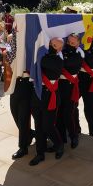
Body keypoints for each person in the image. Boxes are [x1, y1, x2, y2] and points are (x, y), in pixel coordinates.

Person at [30, 37, 65, 165]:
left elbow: (43, 62)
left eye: (56, 46)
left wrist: (42, 50)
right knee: (38, 125)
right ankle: (40, 153)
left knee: (48, 125)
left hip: (50, 96)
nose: (53, 46)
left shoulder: (58, 60)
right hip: (38, 93)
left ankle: (59, 145)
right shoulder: (43, 54)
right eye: (52, 44)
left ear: (60, 48)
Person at [58, 33, 84, 149]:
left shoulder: (78, 54)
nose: (70, 44)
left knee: (68, 114)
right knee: (59, 113)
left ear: (78, 43)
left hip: (70, 86)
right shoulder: (62, 52)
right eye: (68, 42)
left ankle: (74, 136)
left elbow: (67, 64)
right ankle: (62, 137)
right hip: (59, 86)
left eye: (73, 43)